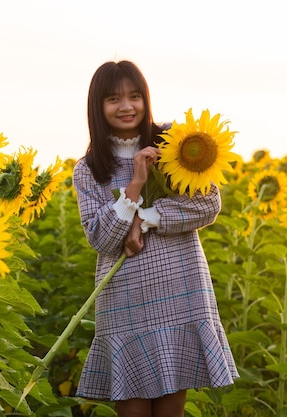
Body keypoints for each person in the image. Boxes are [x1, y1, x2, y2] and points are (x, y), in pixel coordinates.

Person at [72, 60, 238, 417]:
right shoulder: (89, 169)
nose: (127, 106)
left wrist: (146, 219)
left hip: (179, 291)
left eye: (135, 96)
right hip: (124, 301)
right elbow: (100, 237)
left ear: (146, 99)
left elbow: (208, 204)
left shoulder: (174, 145)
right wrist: (135, 184)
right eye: (113, 99)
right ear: (98, 107)